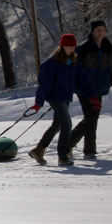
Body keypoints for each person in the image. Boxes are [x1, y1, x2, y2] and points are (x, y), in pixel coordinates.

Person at [70, 20, 112, 160]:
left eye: (102, 30)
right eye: (97, 30)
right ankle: (89, 151)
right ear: (92, 31)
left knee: (90, 119)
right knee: (91, 118)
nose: (100, 32)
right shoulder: (83, 48)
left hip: (99, 90)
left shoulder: (109, 48)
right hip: (85, 90)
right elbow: (73, 68)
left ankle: (66, 144)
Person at [29, 34, 80, 166]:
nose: (71, 48)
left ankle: (39, 150)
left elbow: (78, 79)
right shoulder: (51, 63)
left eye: (73, 46)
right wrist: (38, 103)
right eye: (68, 46)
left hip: (65, 97)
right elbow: (44, 84)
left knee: (57, 125)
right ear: (62, 46)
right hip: (55, 98)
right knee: (67, 124)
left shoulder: (72, 60)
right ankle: (62, 156)